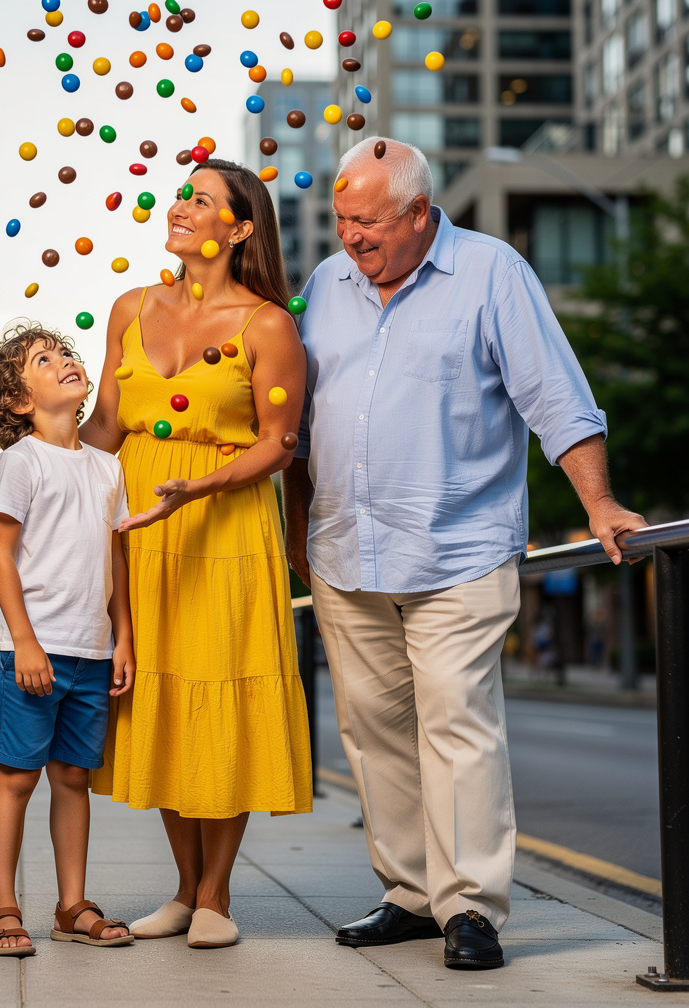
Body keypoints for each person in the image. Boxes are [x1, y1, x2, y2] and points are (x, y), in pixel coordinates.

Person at [282, 137, 646, 970]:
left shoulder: (492, 272)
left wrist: (599, 503)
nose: (351, 238)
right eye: (341, 220)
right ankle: (409, 895)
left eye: (367, 222)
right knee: (375, 733)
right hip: (346, 553)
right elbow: (300, 429)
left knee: (459, 726)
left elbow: (556, 395)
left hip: (460, 548)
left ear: (419, 213)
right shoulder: (324, 287)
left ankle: (471, 908)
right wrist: (298, 530)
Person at [81, 158, 313, 949]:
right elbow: (105, 429)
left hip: (225, 520)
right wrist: (47, 470)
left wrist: (201, 486)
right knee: (160, 696)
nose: (181, 205)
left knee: (221, 689)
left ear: (240, 228)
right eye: (182, 194)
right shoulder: (129, 307)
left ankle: (215, 895)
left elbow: (281, 444)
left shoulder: (268, 325)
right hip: (139, 522)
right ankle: (182, 889)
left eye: (202, 200)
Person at [0, 323, 136, 956]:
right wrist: (26, 641)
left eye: (66, 352)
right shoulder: (21, 462)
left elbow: (113, 562)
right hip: (31, 652)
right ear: (19, 401)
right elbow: (2, 556)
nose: (66, 360)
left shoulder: (107, 467)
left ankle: (72, 905)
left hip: (92, 651)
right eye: (45, 359)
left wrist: (122, 639)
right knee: (17, 776)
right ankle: (0, 907)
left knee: (72, 778)